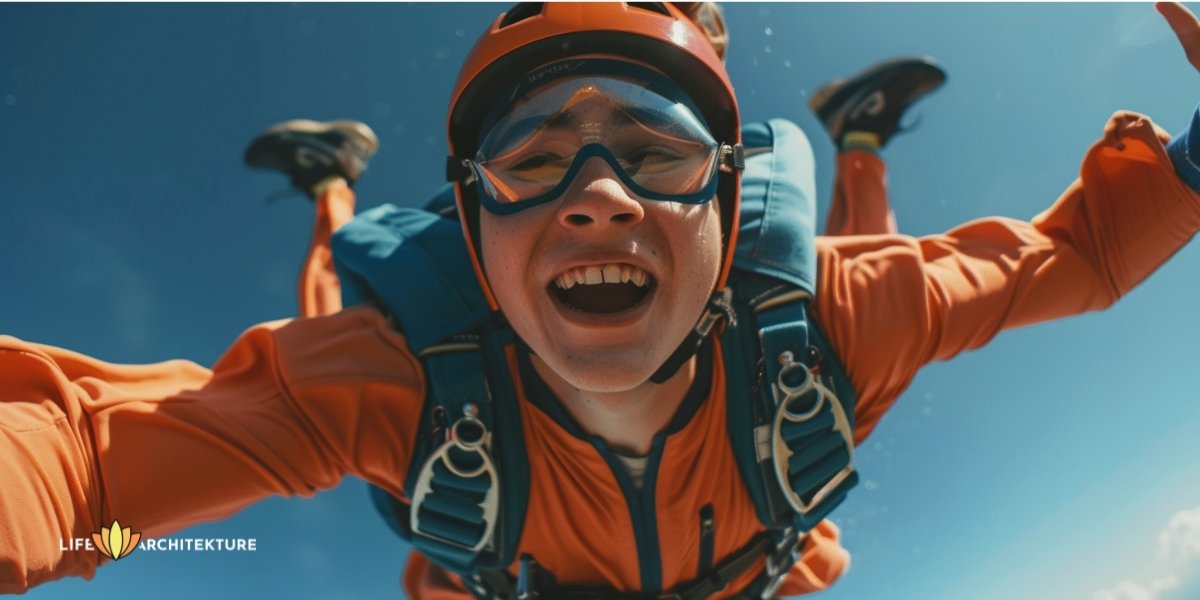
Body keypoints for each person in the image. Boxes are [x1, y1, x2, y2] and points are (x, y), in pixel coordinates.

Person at [4, 2, 1200, 598]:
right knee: (331, 302)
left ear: (726, 198)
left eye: (658, 154)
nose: (596, 199)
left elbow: (1074, 258)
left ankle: (852, 135)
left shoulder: (828, 311)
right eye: (532, 162)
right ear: (472, 223)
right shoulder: (395, 382)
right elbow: (92, 479)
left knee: (838, 286)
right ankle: (333, 178)